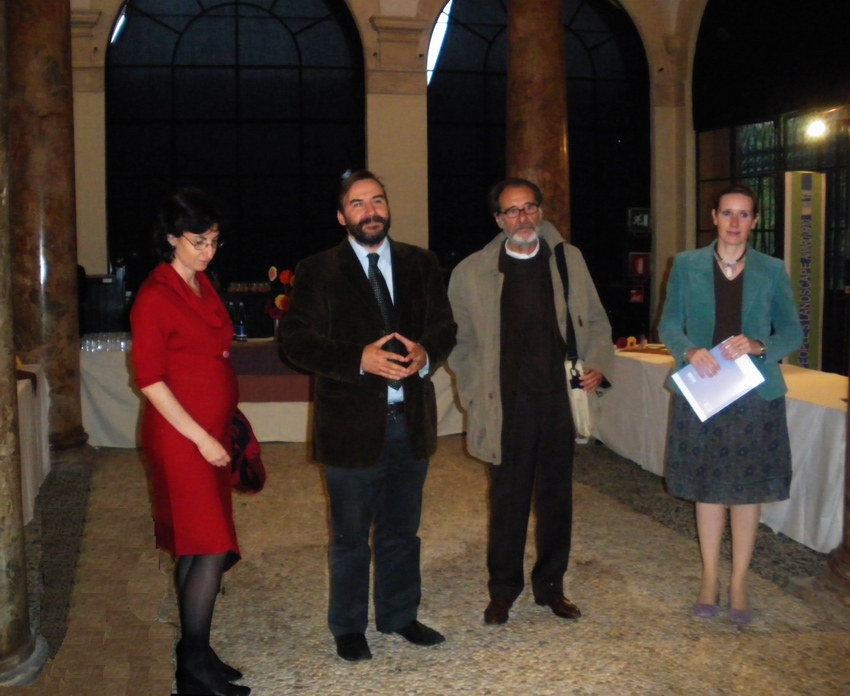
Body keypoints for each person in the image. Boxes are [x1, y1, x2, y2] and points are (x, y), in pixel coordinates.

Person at [279, 170, 457, 661]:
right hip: (349, 427)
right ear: (342, 216)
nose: (370, 211)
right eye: (358, 204)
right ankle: (348, 626)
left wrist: (427, 353)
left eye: (377, 200)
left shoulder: (421, 263)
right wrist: (358, 359)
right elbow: (294, 341)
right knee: (351, 536)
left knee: (403, 531)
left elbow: (444, 325)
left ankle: (399, 616)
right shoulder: (317, 269)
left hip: (411, 422)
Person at [447, 178, 613, 626]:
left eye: (529, 208)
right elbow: (460, 344)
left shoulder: (568, 259)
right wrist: (472, 395)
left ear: (540, 211)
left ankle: (551, 587)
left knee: (557, 498)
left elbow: (596, 321)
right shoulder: (470, 273)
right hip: (505, 403)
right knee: (508, 499)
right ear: (499, 220)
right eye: (512, 211)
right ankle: (503, 591)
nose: (523, 218)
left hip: (559, 399)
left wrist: (598, 365)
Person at [658, 183, 803, 625]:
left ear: (755, 221)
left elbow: (793, 333)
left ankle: (739, 580)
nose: (735, 222)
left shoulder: (772, 270)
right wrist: (688, 350)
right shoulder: (685, 265)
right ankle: (709, 578)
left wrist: (761, 345)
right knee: (707, 490)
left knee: (746, 493)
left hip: (754, 397)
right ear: (714, 217)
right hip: (704, 391)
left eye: (744, 215)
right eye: (727, 214)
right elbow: (668, 325)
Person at [130, 189, 250, 696]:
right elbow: (151, 380)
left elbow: (214, 355)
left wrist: (225, 422)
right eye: (198, 241)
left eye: (215, 242)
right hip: (183, 439)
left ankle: (195, 653)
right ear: (171, 238)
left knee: (200, 548)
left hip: (210, 434)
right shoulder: (155, 296)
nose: (208, 251)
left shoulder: (201, 283)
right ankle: (194, 669)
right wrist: (202, 438)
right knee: (208, 545)